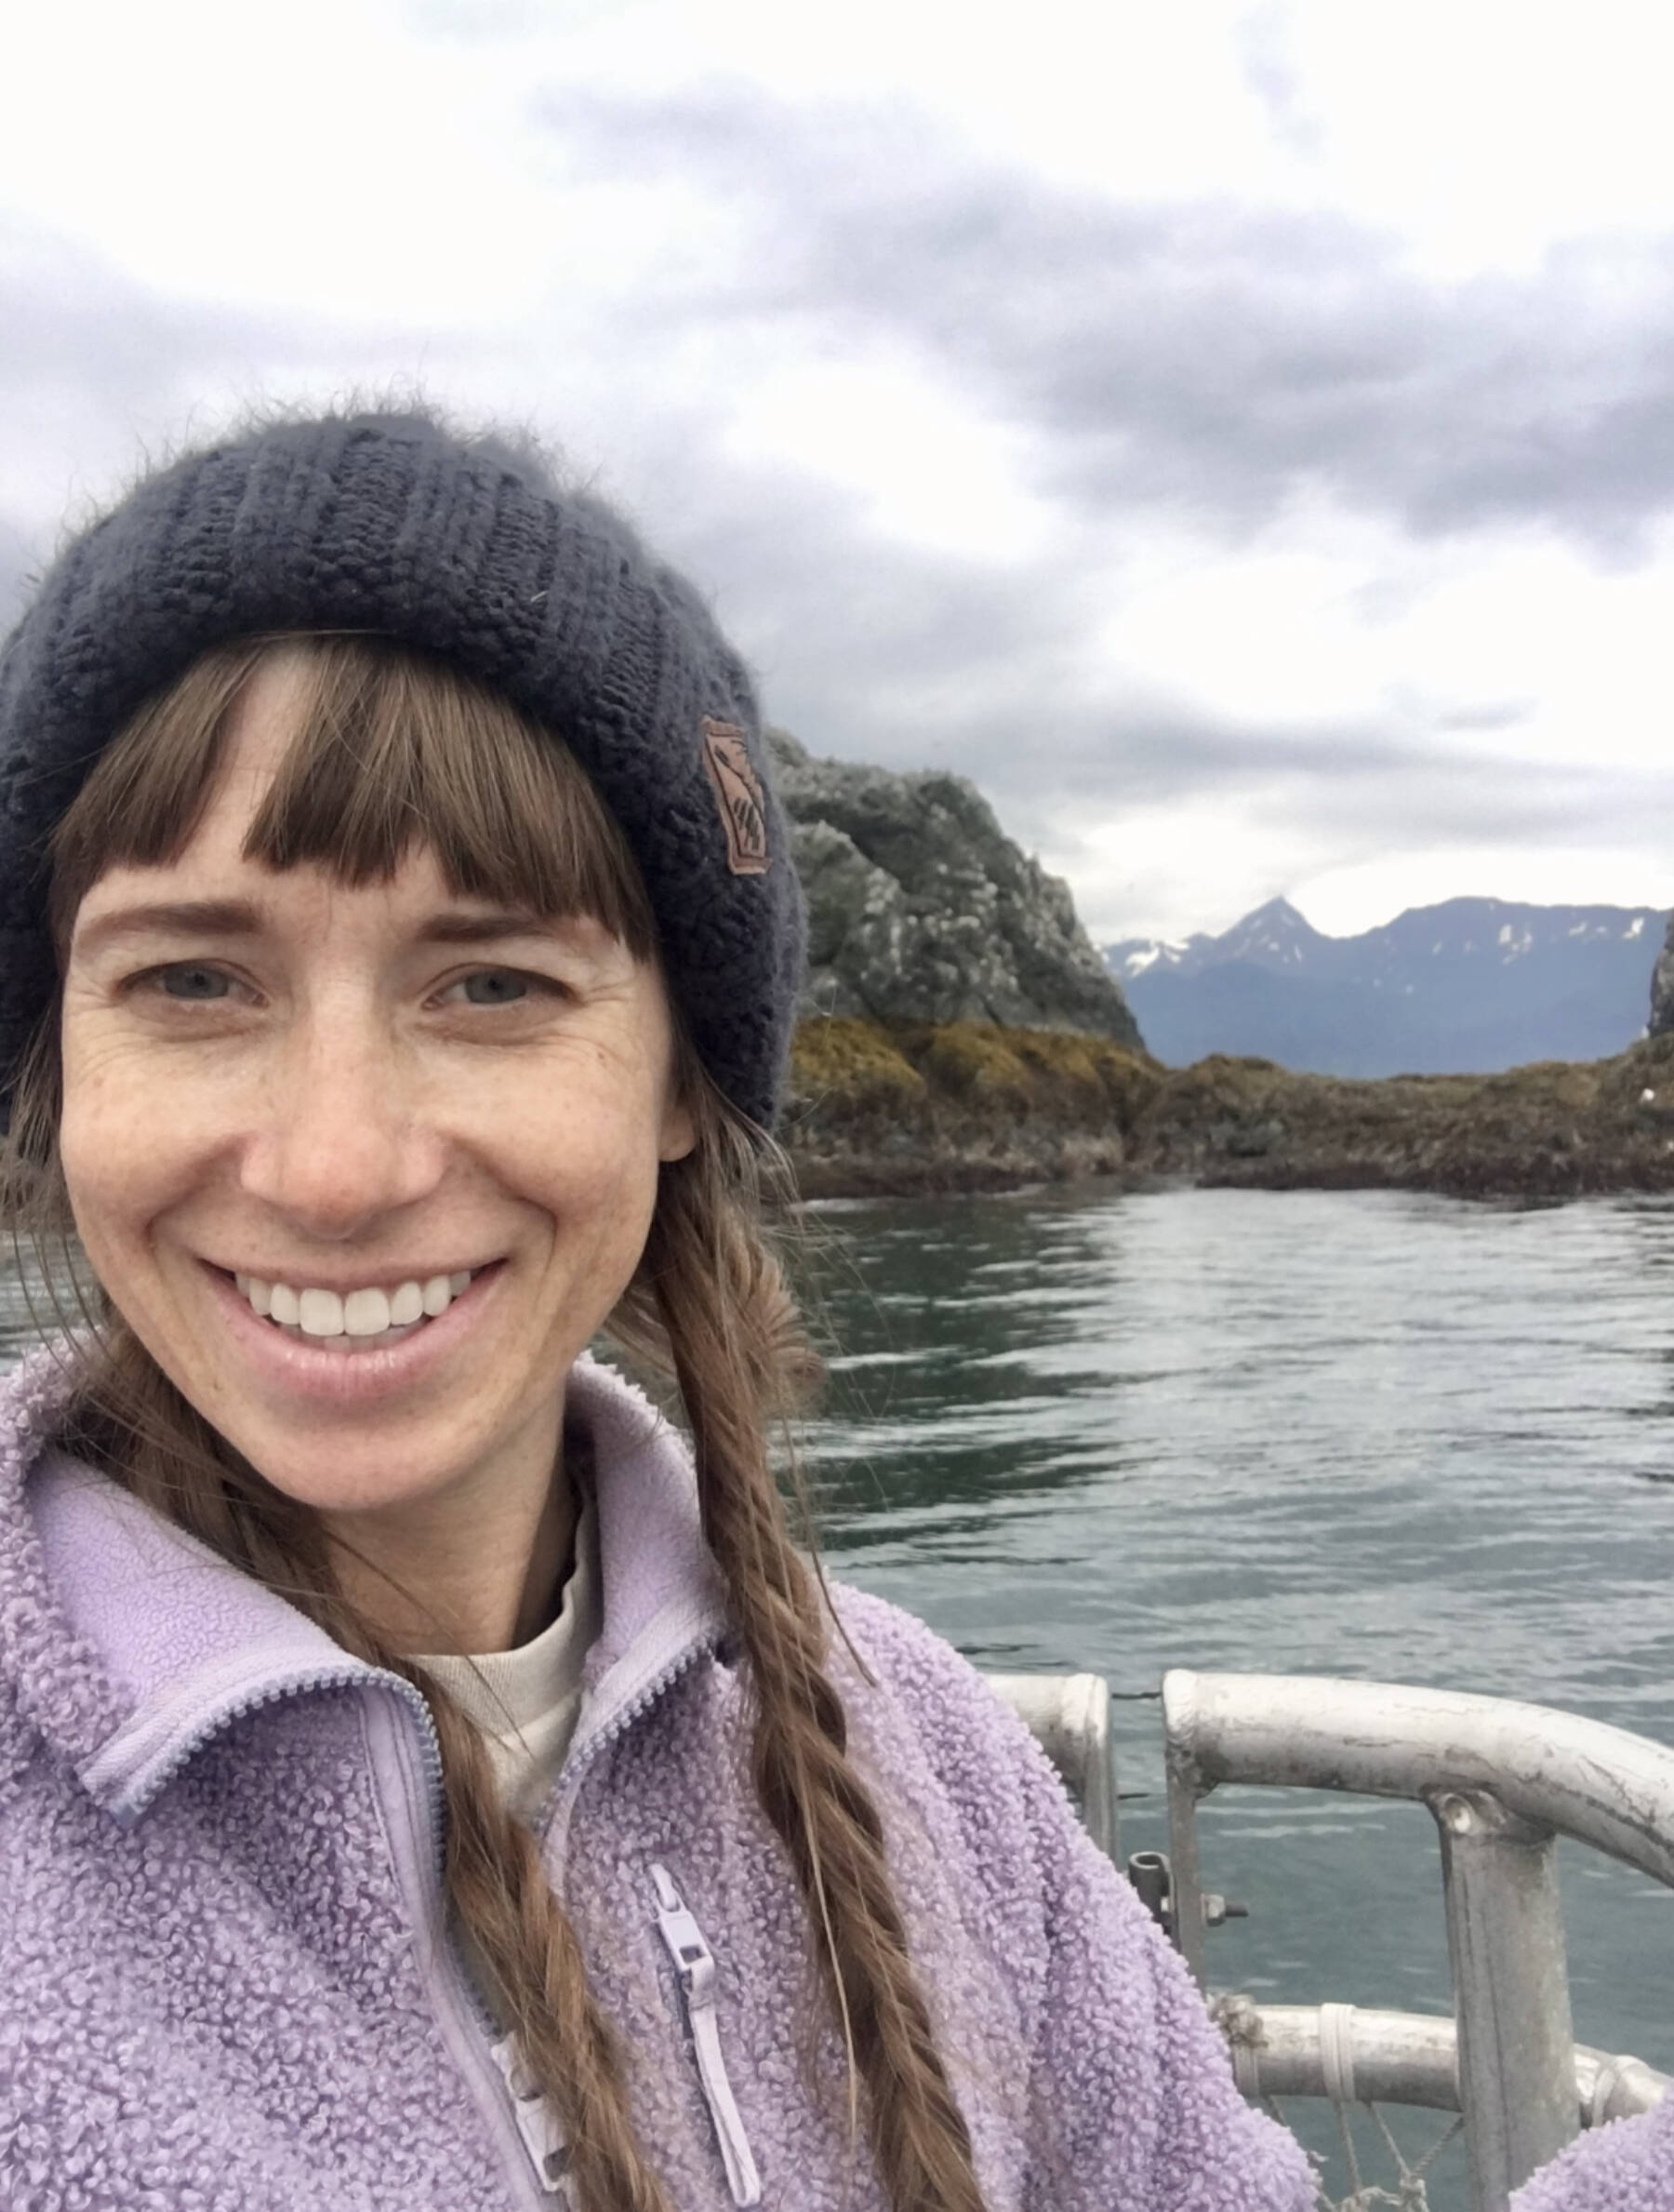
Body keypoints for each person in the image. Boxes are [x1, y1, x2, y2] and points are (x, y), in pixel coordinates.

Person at [0, 406, 1313, 2212]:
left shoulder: (919, 1751)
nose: (331, 1166)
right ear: (60, 1056)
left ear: (681, 1079)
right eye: (194, 977)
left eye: (490, 982)